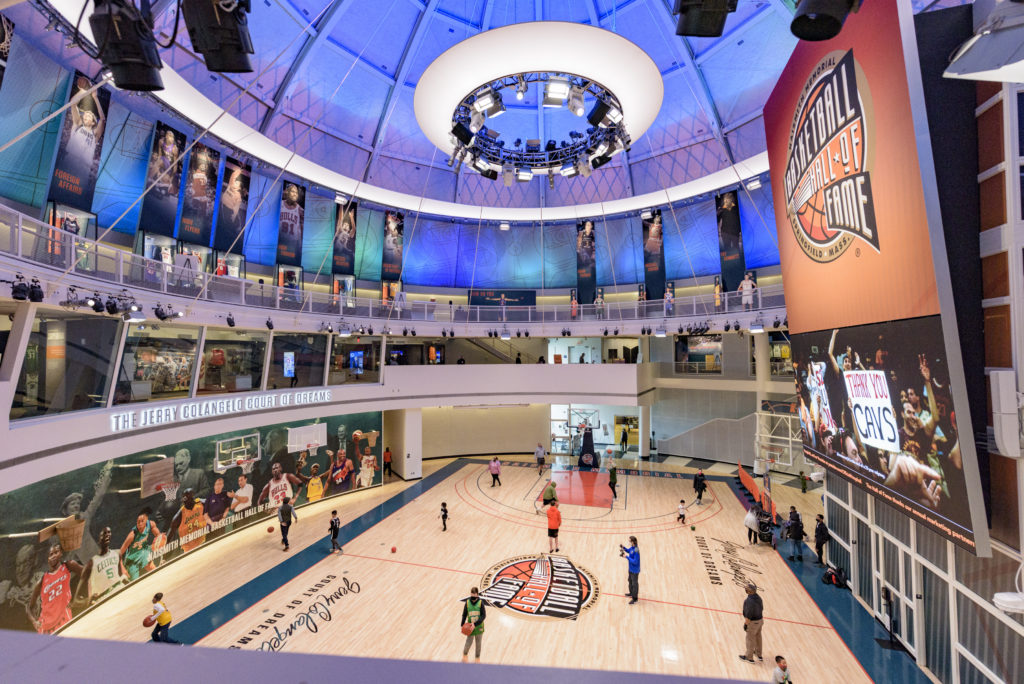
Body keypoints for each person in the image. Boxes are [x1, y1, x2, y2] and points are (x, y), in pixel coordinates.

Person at [31, 541, 83, 634]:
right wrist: (34, 621)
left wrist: (79, 596)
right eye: (51, 554)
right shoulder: (42, 580)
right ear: (47, 559)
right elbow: (29, 607)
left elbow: (86, 573)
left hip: (63, 619)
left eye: (56, 552)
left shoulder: (68, 565)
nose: (54, 556)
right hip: (45, 627)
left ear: (61, 553)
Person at [75, 526, 126, 607]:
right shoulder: (91, 563)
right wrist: (88, 600)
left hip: (119, 592)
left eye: (109, 532)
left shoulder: (117, 553)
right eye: (104, 533)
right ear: (97, 538)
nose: (107, 535)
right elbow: (76, 599)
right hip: (103, 600)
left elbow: (121, 577)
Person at [739, 583, 764, 663]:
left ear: (749, 592)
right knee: (758, 637)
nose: (745, 589)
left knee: (750, 639)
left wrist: (746, 624)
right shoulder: (759, 598)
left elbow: (748, 615)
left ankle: (749, 657)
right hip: (760, 620)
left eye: (746, 588)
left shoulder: (749, 601)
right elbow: (762, 608)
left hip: (753, 623)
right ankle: (758, 654)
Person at [460, 587, 486, 661]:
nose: (473, 595)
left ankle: (477, 658)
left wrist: (475, 624)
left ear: (477, 594)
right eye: (472, 594)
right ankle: (464, 655)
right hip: (470, 627)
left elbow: (484, 615)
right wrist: (462, 625)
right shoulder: (467, 603)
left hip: (479, 626)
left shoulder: (481, 603)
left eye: (474, 594)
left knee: (478, 644)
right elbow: (464, 614)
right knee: (468, 642)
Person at [620, 536, 640, 604]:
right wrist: (624, 548)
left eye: (629, 541)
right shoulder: (632, 548)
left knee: (635, 584)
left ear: (632, 542)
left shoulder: (636, 550)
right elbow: (629, 551)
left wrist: (627, 557)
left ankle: (635, 598)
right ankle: (631, 593)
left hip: (635, 570)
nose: (629, 542)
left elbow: (635, 561)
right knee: (630, 581)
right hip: (631, 569)